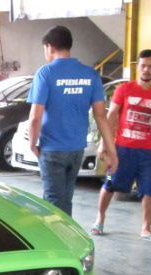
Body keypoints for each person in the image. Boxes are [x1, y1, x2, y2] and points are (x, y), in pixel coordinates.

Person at [27, 25, 117, 216]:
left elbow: (35, 117)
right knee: (65, 200)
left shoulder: (45, 73)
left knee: (52, 204)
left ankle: (56, 243)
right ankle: (69, 241)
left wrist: (32, 143)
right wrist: (112, 151)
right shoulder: (91, 75)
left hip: (52, 149)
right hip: (76, 150)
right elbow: (101, 116)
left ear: (49, 47)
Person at [91, 49, 151, 240]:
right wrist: (104, 144)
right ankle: (100, 218)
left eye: (150, 66)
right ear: (138, 67)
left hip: (148, 152)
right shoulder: (124, 90)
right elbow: (110, 116)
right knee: (110, 185)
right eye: (143, 66)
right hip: (123, 150)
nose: (147, 70)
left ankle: (146, 227)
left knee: (149, 189)